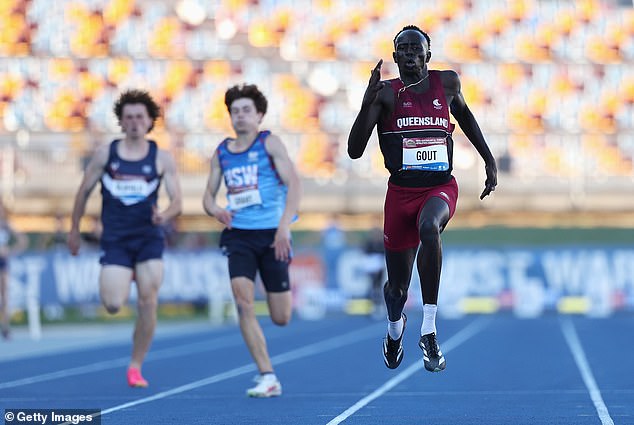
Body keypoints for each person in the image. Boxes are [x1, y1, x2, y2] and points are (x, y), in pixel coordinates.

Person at [347, 25, 497, 372]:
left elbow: (467, 117)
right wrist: (366, 101)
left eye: (418, 48)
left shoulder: (446, 83)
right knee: (396, 290)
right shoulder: (385, 94)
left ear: (428, 55)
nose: (412, 54)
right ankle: (394, 331)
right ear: (396, 57)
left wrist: (489, 160)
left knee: (430, 227)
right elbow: (354, 151)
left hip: (439, 187)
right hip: (400, 194)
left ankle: (429, 328)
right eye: (405, 49)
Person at [68, 89, 182, 387]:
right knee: (113, 304)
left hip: (148, 239)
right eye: (128, 117)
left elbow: (177, 202)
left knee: (148, 301)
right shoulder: (107, 154)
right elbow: (83, 192)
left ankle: (136, 365)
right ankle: (124, 274)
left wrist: (165, 215)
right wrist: (74, 230)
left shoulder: (162, 158)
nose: (133, 122)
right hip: (116, 240)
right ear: (121, 121)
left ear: (149, 121)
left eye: (139, 117)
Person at [203, 84, 300, 398]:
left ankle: (268, 371)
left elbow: (294, 184)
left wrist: (284, 227)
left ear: (259, 115)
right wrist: (217, 210)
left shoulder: (269, 143)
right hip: (239, 235)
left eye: (246, 110)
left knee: (281, 317)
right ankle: (267, 375)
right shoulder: (221, 152)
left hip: (273, 235)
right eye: (235, 111)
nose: (240, 115)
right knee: (243, 303)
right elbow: (207, 195)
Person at [0, 201, 27, 340]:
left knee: (5, 296)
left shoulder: (6, 226)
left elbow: (23, 240)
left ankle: (5, 327)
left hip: (3, 263)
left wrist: (10, 251)